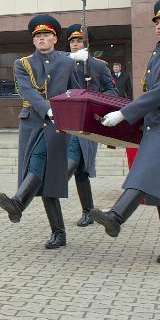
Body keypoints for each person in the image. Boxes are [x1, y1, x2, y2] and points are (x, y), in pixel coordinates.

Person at [90, 0, 160, 263]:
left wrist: (125, 114)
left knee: (147, 170)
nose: (159, 27)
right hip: (157, 120)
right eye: (157, 23)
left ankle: (116, 216)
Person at [0, 15, 76, 250]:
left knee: (39, 164)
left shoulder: (69, 61)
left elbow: (78, 89)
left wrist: (89, 62)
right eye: (37, 36)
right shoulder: (23, 63)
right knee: (43, 174)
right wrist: (47, 108)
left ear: (54, 39)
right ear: (34, 40)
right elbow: (27, 91)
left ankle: (19, 202)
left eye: (46, 35)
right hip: (33, 120)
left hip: (58, 122)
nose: (42, 38)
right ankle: (58, 233)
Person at [64, 24, 119, 227]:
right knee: (81, 169)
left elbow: (112, 91)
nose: (75, 44)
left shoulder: (98, 65)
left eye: (79, 41)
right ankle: (87, 212)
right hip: (68, 120)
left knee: (77, 159)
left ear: (87, 44)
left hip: (88, 122)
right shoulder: (64, 64)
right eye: (72, 41)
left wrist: (94, 100)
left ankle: (51, 187)